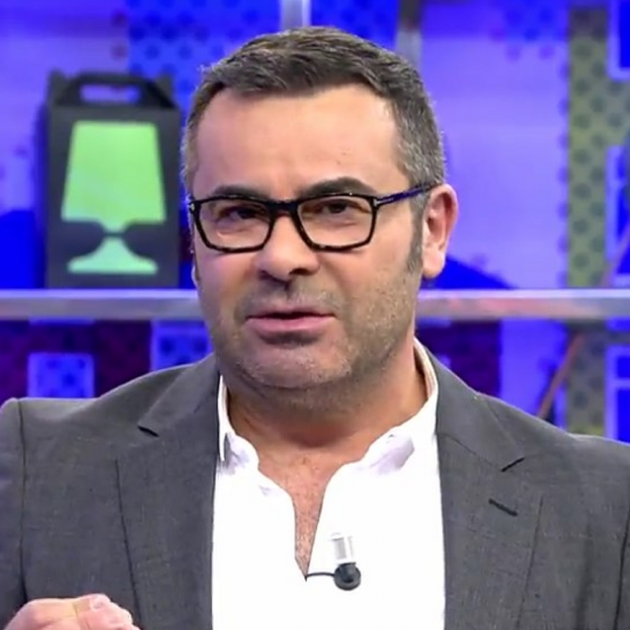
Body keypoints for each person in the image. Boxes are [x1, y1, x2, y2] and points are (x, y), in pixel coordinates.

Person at [1, 26, 630, 630]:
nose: (282, 257)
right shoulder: (38, 474)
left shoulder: (604, 508)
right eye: (239, 213)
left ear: (432, 230)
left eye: (335, 209)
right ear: (195, 238)